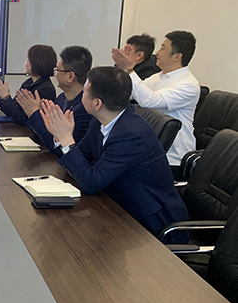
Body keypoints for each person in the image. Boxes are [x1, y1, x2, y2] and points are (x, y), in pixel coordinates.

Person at [40, 67, 189, 242]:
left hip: (151, 225)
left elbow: (91, 183)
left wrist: (66, 139)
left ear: (97, 104)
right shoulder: (100, 121)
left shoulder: (131, 134)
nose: (81, 96)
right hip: (117, 206)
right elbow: (81, 158)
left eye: (85, 93)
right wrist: (60, 137)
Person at [112, 31, 200, 177]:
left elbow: (150, 101)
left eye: (163, 49)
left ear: (177, 56)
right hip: (151, 149)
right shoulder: (159, 76)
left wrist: (130, 69)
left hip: (171, 158)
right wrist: (123, 69)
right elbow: (129, 92)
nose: (157, 53)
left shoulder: (188, 85)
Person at [17, 46, 93, 156]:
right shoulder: (61, 98)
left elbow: (55, 145)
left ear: (70, 76)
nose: (54, 73)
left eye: (57, 69)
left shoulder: (84, 109)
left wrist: (34, 112)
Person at [0, 44, 57, 125]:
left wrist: (6, 97)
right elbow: (14, 110)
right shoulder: (28, 83)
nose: (25, 63)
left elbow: (23, 118)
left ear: (36, 62)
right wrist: (3, 97)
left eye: (28, 59)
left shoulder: (46, 89)